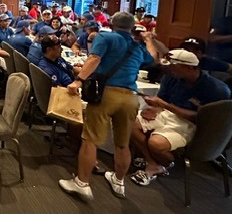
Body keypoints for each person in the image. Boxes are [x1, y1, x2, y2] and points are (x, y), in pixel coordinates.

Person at [59, 12, 158, 201]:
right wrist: (149, 40)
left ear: (112, 24)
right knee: (123, 143)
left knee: (90, 140)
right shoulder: (137, 45)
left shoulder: (105, 37)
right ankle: (119, 182)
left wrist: (78, 81)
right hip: (131, 97)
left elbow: (94, 59)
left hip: (106, 94)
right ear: (132, 27)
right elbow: (153, 59)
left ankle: (82, 183)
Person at [130, 49, 230, 186]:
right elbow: (164, 100)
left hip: (192, 124)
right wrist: (155, 108)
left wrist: (164, 105)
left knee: (156, 144)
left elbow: (204, 119)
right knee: (129, 123)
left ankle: (165, 163)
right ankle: (153, 163)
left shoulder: (216, 89)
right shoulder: (171, 77)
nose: (168, 68)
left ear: (189, 68)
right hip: (167, 113)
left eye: (173, 65)